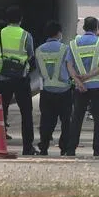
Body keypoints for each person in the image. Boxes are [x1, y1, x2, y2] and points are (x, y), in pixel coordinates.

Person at [64, 16, 99, 157]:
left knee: (77, 118)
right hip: (97, 86)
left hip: (80, 87)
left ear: (84, 27)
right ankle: (97, 148)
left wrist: (78, 81)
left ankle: (71, 148)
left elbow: (69, 65)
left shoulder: (73, 44)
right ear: (96, 28)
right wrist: (90, 76)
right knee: (98, 120)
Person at [0, 6, 34, 156]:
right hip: (20, 77)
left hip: (2, 77)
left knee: (0, 113)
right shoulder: (25, 35)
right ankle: (27, 147)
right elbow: (30, 54)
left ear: (6, 19)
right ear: (21, 19)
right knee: (26, 113)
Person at [34, 21, 73, 155]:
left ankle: (44, 146)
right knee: (66, 121)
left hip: (47, 90)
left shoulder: (38, 50)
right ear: (59, 33)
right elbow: (70, 68)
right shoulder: (65, 49)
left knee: (46, 121)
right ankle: (65, 147)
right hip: (64, 90)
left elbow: (38, 71)